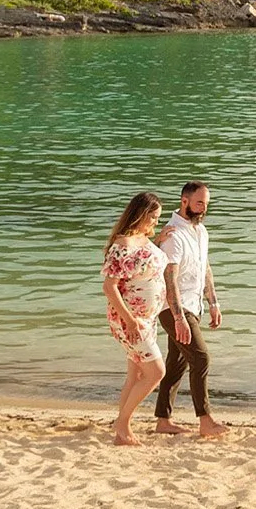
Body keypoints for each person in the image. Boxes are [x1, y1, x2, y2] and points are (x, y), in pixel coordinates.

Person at [153, 179, 227, 439]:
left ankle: (163, 420)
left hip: (193, 306)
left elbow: (205, 268)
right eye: (199, 203)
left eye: (206, 204)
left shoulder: (201, 231)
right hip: (174, 308)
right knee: (201, 358)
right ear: (184, 201)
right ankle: (205, 421)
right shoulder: (173, 235)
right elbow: (169, 278)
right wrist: (178, 317)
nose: (203, 208)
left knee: (177, 363)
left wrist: (213, 302)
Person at [100, 190, 168, 446]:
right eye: (153, 217)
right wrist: (130, 320)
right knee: (156, 372)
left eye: (158, 217)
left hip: (146, 319)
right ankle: (123, 423)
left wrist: (158, 240)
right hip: (130, 321)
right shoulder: (122, 245)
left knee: (137, 375)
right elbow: (109, 287)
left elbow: (145, 265)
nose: (156, 222)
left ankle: (122, 432)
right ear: (140, 214)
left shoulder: (142, 239)